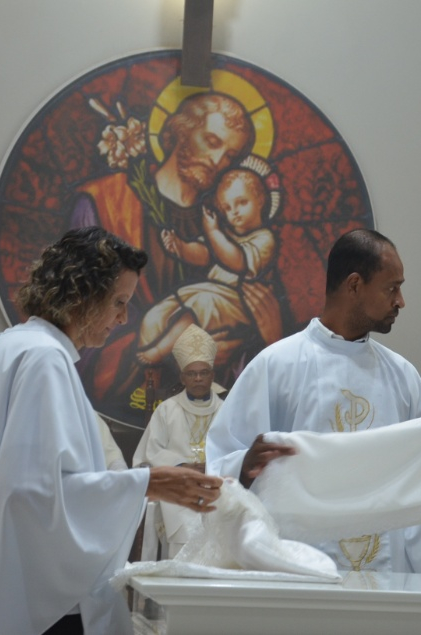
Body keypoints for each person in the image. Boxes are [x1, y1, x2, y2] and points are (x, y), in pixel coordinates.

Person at [0, 227, 223, 635]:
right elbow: (34, 495)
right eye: (118, 302)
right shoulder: (44, 360)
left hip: (2, 581)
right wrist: (146, 484)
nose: (123, 318)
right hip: (43, 606)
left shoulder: (9, 346)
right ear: (82, 294)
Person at [206, 228, 421, 574]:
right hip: (299, 568)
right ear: (354, 285)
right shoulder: (276, 365)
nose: (401, 301)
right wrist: (244, 466)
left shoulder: (402, 375)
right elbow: (221, 462)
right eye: (392, 288)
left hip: (385, 574)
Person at [72, 92, 255, 401]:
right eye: (212, 141)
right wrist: (184, 347)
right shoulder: (105, 201)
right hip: (129, 385)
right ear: (179, 131)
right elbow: (79, 319)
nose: (216, 161)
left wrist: (225, 349)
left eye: (229, 156)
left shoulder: (220, 227)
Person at [136, 159, 282, 367]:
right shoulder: (224, 238)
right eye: (227, 208)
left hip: (237, 304)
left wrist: (213, 232)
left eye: (241, 202)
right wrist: (181, 247)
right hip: (212, 295)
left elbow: (237, 261)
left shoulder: (264, 238)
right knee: (159, 314)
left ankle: (162, 349)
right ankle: (153, 368)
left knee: (198, 306)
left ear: (260, 200)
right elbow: (203, 254)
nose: (235, 212)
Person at [132, 324, 225, 556]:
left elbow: (234, 448)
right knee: (177, 507)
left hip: (216, 483)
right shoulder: (166, 410)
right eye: (192, 374)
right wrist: (182, 466)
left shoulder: (226, 410)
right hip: (179, 484)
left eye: (204, 373)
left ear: (212, 376)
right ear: (183, 377)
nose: (198, 379)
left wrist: (212, 466)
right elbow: (149, 452)